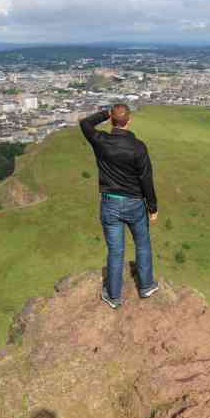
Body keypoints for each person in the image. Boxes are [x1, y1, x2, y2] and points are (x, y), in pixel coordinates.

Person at [80, 104, 158, 309]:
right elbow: (146, 178)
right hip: (135, 203)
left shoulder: (101, 141)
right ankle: (146, 286)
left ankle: (113, 296)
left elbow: (85, 123)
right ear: (129, 120)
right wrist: (152, 207)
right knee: (142, 244)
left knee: (115, 251)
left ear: (112, 120)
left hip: (110, 202)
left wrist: (105, 113)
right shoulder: (138, 147)